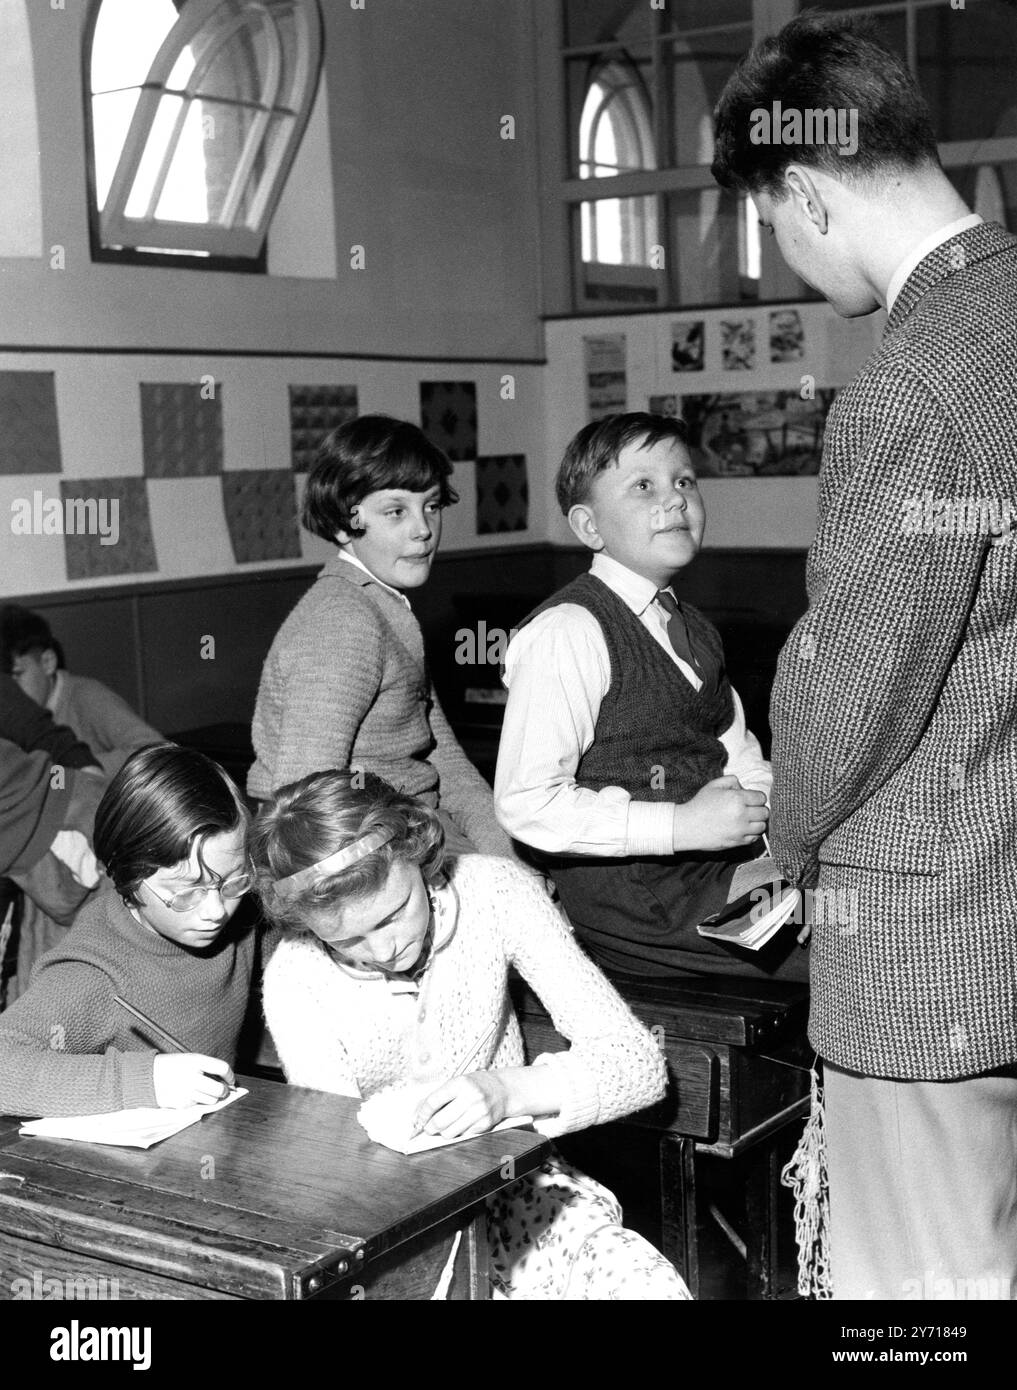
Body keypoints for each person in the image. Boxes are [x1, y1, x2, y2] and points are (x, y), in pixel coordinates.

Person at [712, 10, 1017, 1300]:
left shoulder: (915, 383)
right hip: (998, 899)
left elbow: (855, 680)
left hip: (924, 940)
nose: (782, 261)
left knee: (925, 1296)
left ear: (807, 192)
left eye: (772, 226)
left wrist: (783, 841)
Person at [250, 769, 691, 1300]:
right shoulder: (295, 973)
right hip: (392, 1222)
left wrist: (506, 1092)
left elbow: (638, 1066)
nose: (384, 950)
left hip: (520, 1191)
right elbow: (339, 1165)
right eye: (348, 941)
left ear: (418, 851)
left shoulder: (494, 890)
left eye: (394, 913)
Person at [495, 412, 807, 982]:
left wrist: (771, 846)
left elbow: (738, 751)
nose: (675, 500)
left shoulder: (694, 627)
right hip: (639, 905)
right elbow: (525, 803)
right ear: (589, 527)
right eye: (644, 486)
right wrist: (681, 827)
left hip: (717, 875)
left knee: (869, 906)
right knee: (867, 952)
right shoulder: (569, 630)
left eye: (684, 481)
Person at [248, 415, 516, 861]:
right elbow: (303, 807)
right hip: (371, 855)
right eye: (396, 511)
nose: (422, 529)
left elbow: (444, 762)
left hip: (415, 832)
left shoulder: (386, 608)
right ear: (341, 525)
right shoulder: (342, 622)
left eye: (431, 505)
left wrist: (507, 854)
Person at [0, 744, 255, 1117]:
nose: (216, 911)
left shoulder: (239, 910)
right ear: (130, 881)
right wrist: (143, 1082)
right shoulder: (94, 975)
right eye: (186, 892)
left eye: (233, 882)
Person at [2, 604, 162, 777]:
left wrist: (80, 767)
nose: (9, 691)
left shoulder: (88, 697)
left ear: (47, 662)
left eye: (16, 675)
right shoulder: (11, 715)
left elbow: (156, 751)